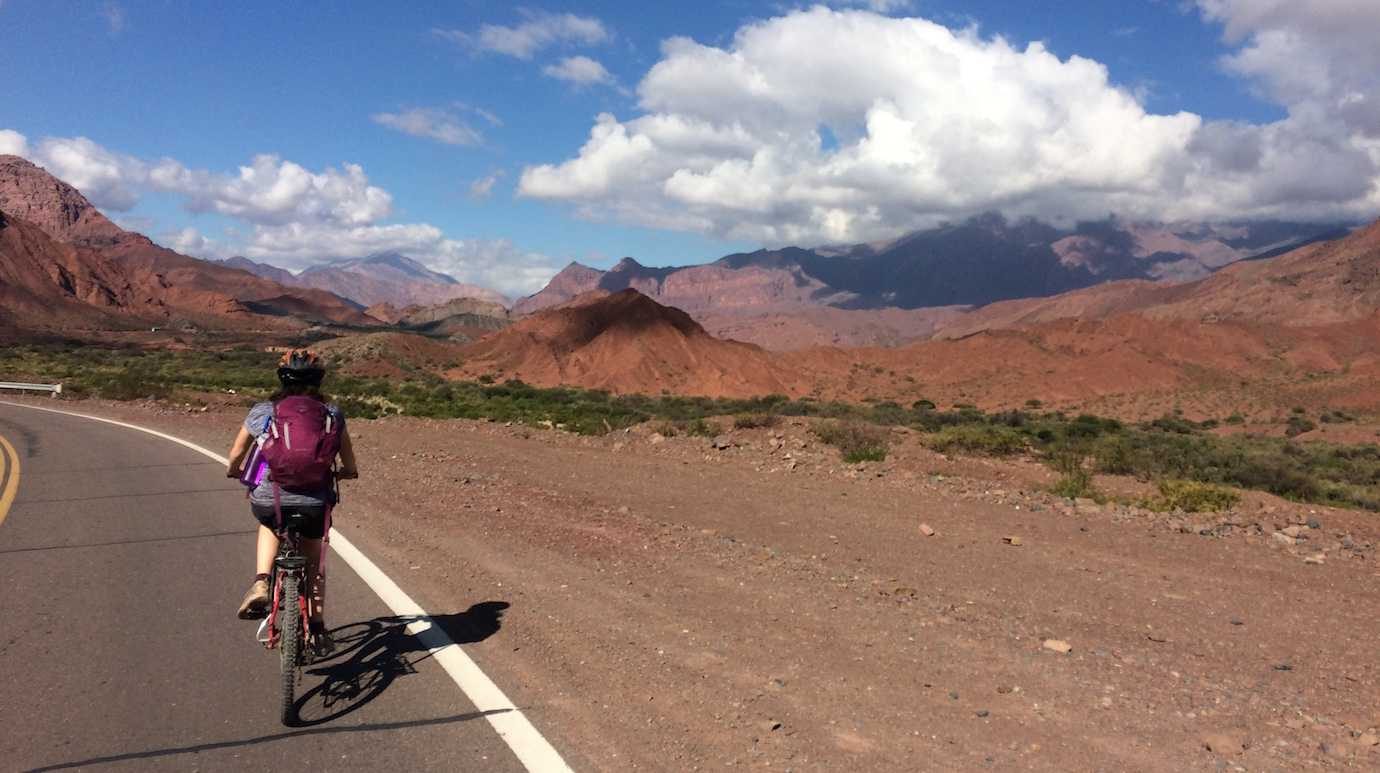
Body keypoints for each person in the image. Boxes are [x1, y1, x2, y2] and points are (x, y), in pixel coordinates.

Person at [225, 349, 358, 655]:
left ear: (282, 379)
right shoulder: (332, 414)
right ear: (318, 380)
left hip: (270, 498)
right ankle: (319, 624)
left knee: (269, 524)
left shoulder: (263, 411)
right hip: (315, 503)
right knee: (314, 559)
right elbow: (349, 463)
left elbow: (236, 454)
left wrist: (234, 471)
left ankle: (261, 582)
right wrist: (347, 473)